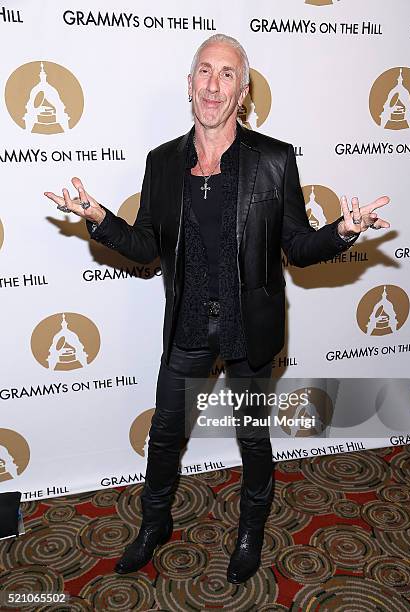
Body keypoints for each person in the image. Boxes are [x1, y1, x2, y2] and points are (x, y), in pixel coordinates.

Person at [44, 33, 390, 583]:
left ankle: (250, 531)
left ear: (243, 91)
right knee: (165, 435)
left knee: (253, 436)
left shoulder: (274, 161)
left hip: (247, 328)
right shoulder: (162, 163)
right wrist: (99, 216)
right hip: (185, 325)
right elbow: (147, 249)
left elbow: (298, 250)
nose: (213, 84)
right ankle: (153, 525)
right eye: (205, 71)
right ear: (189, 85)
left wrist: (342, 231)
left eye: (227, 74)